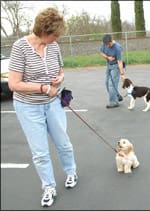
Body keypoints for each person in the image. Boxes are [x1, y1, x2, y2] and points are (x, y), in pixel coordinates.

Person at [8, 7, 77, 207]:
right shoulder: (20, 47)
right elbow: (14, 84)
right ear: (44, 31)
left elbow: (61, 69)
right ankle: (48, 186)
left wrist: (60, 77)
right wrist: (44, 88)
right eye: (55, 34)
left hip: (53, 104)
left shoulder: (54, 47)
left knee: (64, 143)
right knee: (40, 152)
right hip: (28, 107)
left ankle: (71, 172)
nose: (57, 38)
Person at [100, 34, 126, 108]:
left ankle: (114, 102)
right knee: (106, 83)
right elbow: (101, 53)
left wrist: (122, 74)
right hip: (108, 65)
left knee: (112, 85)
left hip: (115, 67)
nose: (108, 46)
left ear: (111, 41)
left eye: (109, 44)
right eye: (106, 44)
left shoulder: (117, 48)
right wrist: (108, 57)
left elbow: (119, 61)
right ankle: (117, 96)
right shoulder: (104, 44)